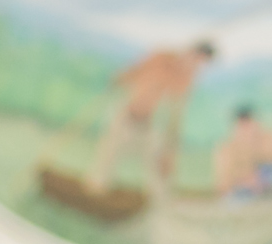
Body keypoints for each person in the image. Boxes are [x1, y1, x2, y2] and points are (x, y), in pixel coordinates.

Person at [87, 41, 214, 193]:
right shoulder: (162, 57)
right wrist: (120, 79)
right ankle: (95, 191)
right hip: (127, 113)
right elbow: (134, 70)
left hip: (148, 123)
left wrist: (171, 146)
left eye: (201, 63)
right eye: (197, 59)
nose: (196, 64)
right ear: (191, 52)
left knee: (156, 164)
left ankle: (156, 202)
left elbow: (176, 112)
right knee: (108, 155)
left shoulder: (186, 78)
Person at [216, 106, 272, 198]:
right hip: (242, 194)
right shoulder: (227, 149)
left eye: (249, 127)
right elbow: (223, 186)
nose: (247, 133)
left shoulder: (271, 140)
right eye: (243, 128)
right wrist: (246, 181)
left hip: (270, 188)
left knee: (271, 169)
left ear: (256, 124)